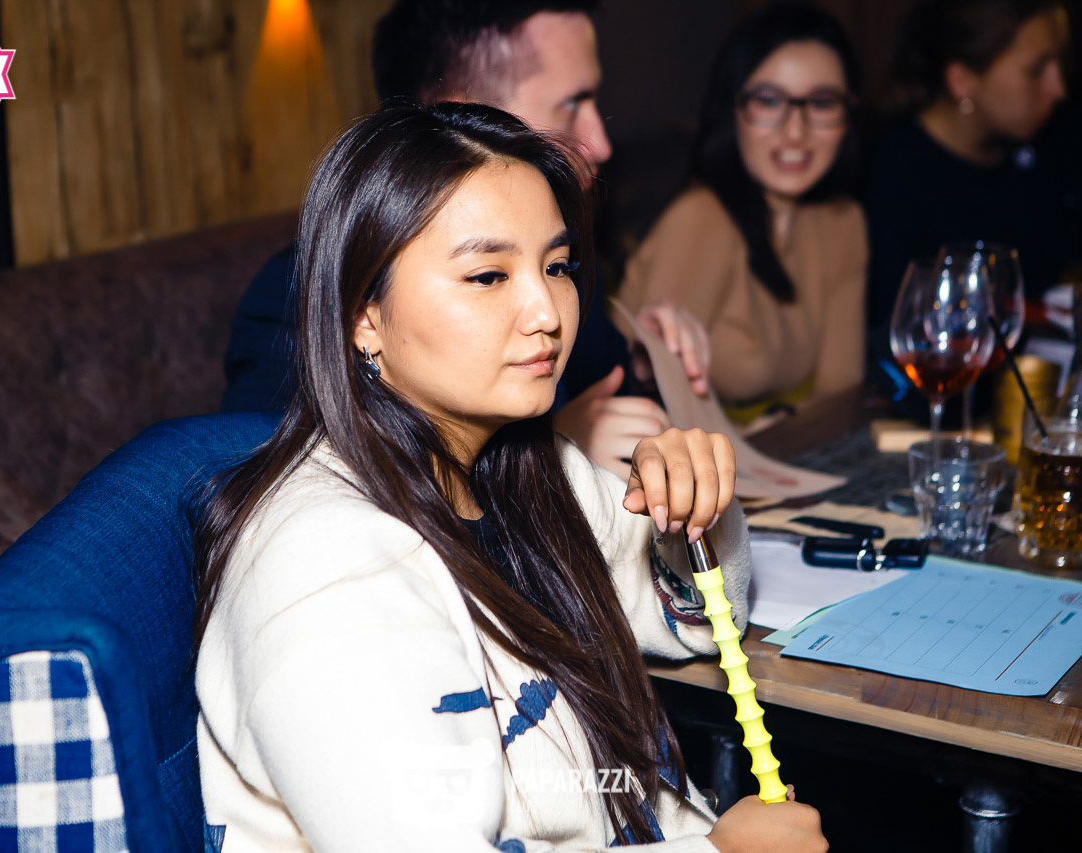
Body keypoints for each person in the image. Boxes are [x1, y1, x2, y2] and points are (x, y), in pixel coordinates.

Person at [194, 101, 828, 852]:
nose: (547, 312)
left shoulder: (519, 468)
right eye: (488, 275)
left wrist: (692, 509)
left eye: (557, 267)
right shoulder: (324, 568)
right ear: (364, 315)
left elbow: (691, 620)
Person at [221, 0, 713, 480]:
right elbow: (257, 490)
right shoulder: (296, 297)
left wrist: (649, 367)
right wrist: (557, 453)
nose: (600, 143)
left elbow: (615, 402)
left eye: (556, 268)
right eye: (572, 104)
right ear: (464, 119)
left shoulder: (555, 249)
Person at [615, 2, 866, 425]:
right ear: (732, 109)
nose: (796, 130)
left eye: (822, 103)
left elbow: (840, 392)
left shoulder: (843, 222)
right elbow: (659, 408)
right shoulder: (701, 219)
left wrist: (780, 426)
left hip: (778, 452)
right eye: (769, 100)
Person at [864, 0, 1071, 337]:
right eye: (1036, 71)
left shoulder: (1045, 149)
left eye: (1059, 64)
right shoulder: (887, 180)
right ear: (961, 79)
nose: (1058, 89)